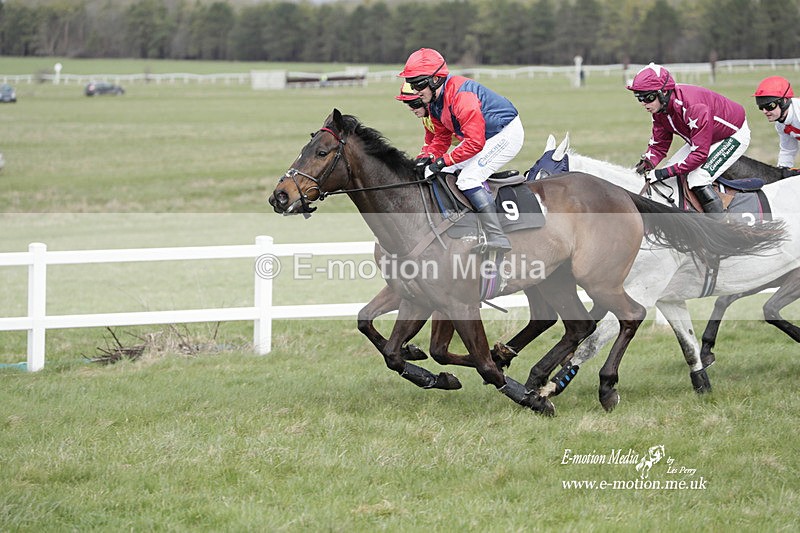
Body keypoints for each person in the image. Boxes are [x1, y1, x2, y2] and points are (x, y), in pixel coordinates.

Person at [398, 47, 524, 252]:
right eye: (412, 84)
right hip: (482, 138)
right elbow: (440, 137)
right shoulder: (434, 102)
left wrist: (441, 161)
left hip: (504, 134)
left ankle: (497, 236)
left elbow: (475, 143)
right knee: (443, 173)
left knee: (468, 178)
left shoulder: (461, 96)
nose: (416, 91)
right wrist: (426, 157)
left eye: (418, 84)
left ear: (436, 80)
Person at [628, 62, 750, 216]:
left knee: (697, 178)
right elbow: (659, 145)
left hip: (733, 134)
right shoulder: (659, 110)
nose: (644, 103)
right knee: (671, 177)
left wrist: (662, 173)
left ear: (664, 92)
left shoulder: (693, 108)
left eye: (648, 97)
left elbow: (699, 155)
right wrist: (645, 165)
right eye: (639, 98)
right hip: (704, 135)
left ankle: (722, 227)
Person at [753, 75, 800, 170]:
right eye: (761, 107)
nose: (765, 111)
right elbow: (788, 150)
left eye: (770, 106)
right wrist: (782, 171)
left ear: (785, 101)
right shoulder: (781, 124)